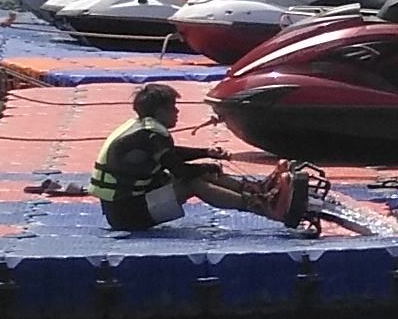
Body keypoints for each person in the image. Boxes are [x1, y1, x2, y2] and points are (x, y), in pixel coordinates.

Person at [93, 81, 315, 233]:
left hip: (128, 206)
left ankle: (260, 189)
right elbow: (182, 171)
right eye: (173, 107)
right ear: (159, 111)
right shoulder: (151, 134)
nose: (177, 112)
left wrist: (205, 153)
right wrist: (207, 166)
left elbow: (171, 155)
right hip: (129, 216)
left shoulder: (141, 128)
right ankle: (261, 205)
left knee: (202, 172)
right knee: (194, 183)